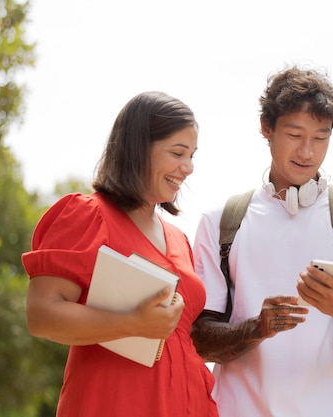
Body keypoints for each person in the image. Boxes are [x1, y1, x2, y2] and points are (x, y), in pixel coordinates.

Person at [191, 66, 333, 417]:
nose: (307, 151)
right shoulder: (220, 222)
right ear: (266, 128)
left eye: (321, 138)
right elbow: (200, 341)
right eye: (295, 134)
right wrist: (257, 328)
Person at [21, 92, 218, 417]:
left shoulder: (179, 238)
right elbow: (41, 314)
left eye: (193, 155)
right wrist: (132, 323)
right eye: (177, 153)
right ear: (139, 149)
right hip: (115, 402)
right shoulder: (89, 215)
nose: (189, 167)